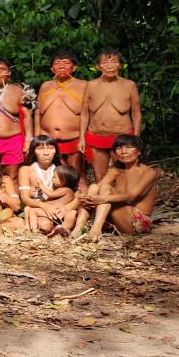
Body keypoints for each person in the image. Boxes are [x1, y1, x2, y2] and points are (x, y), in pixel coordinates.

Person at [80, 49, 142, 182]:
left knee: (124, 175)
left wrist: (136, 137)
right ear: (98, 66)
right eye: (105, 63)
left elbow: (136, 113)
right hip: (96, 136)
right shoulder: (91, 85)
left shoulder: (129, 85)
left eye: (114, 62)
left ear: (120, 65)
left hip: (122, 137)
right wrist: (81, 137)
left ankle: (125, 196)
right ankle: (103, 195)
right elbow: (84, 113)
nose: (109, 66)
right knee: (100, 177)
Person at [83, 135, 157, 237]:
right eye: (119, 148)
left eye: (129, 147)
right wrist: (86, 197)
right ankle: (78, 228)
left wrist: (103, 198)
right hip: (117, 220)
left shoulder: (149, 172)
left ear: (139, 151)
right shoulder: (116, 170)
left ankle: (95, 230)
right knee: (94, 187)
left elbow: (131, 196)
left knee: (105, 189)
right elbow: (97, 187)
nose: (123, 152)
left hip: (136, 222)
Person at [35, 51, 87, 188]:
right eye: (57, 63)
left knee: (77, 175)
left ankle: (81, 199)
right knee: (54, 176)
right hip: (48, 139)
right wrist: (36, 137)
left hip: (74, 137)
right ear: (52, 69)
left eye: (66, 63)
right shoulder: (46, 85)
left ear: (74, 67)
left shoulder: (84, 85)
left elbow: (87, 113)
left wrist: (83, 137)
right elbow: (38, 112)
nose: (61, 66)